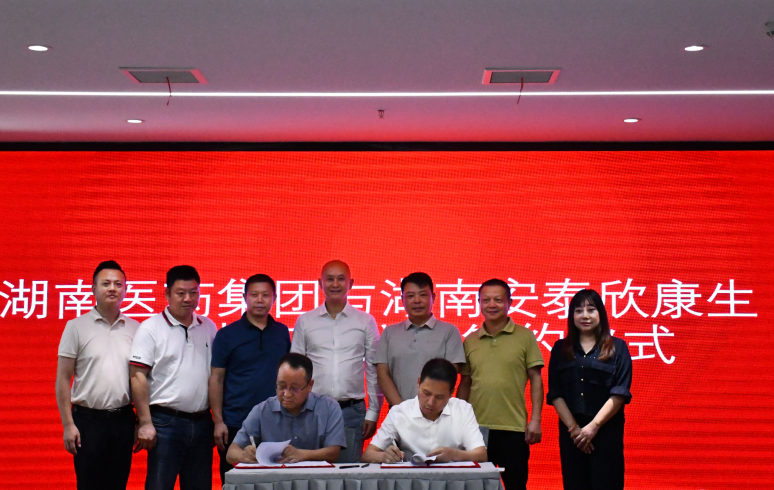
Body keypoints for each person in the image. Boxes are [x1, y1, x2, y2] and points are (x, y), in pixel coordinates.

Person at [130, 265, 218, 490]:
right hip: (165, 423)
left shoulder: (208, 327)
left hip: (202, 423)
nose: (188, 299)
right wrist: (145, 422)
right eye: (181, 293)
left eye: (194, 292)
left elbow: (216, 377)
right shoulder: (150, 328)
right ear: (167, 294)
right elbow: (137, 376)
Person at [55, 261, 140, 490]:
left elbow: (142, 379)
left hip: (123, 420)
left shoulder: (136, 328)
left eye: (118, 284)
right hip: (87, 421)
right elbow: (63, 378)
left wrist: (141, 421)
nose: (112, 288)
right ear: (93, 289)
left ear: (126, 289)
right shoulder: (76, 327)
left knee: (118, 484)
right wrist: (68, 425)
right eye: (106, 283)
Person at [291, 260, 382, 463]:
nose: (335, 284)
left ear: (351, 283)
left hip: (351, 411)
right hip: (311, 410)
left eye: (341, 279)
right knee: (311, 472)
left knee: (347, 474)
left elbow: (373, 370)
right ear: (320, 283)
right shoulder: (305, 321)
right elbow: (295, 370)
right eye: (329, 279)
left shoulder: (365, 321)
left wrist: (373, 412)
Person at [457, 279, 544, 490]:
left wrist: (535, 420)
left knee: (515, 485)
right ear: (479, 303)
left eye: (498, 299)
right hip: (476, 429)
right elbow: (465, 382)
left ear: (509, 303)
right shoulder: (470, 340)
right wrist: (457, 420)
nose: (491, 305)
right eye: (486, 300)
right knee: (475, 487)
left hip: (514, 429)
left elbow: (536, 378)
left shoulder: (525, 336)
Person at [547, 289, 633, 490]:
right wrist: (575, 430)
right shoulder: (560, 349)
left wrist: (593, 427)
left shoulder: (618, 347)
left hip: (605, 431)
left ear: (600, 314)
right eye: (578, 311)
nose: (584, 315)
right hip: (573, 435)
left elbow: (619, 393)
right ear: (572, 316)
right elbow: (556, 393)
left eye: (591, 310)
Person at [209, 273, 290, 485]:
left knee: (275, 482)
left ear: (274, 298)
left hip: (276, 421)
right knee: (236, 482)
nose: (260, 300)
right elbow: (216, 379)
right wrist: (218, 421)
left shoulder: (282, 332)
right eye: (254, 295)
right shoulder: (227, 335)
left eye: (265, 295)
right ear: (245, 297)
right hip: (236, 422)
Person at [226, 353, 346, 465]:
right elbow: (231, 453)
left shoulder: (329, 407)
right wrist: (244, 455)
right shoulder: (262, 411)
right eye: (281, 386)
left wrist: (303, 455)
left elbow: (333, 453)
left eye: (294, 388)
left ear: (310, 385)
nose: (287, 394)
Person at [362, 358, 486, 463]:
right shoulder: (399, 412)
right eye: (426, 393)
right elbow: (367, 455)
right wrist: (385, 456)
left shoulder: (463, 409)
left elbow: (481, 455)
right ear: (418, 383)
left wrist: (453, 455)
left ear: (451, 393)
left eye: (439, 397)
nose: (431, 402)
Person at [375, 272, 465, 407]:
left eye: (423, 295)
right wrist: (401, 410)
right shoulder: (389, 332)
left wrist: (430, 406)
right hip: (399, 413)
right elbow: (382, 374)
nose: (417, 301)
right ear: (402, 300)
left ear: (433, 297)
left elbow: (450, 374)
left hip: (437, 412)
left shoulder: (449, 331)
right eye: (410, 296)